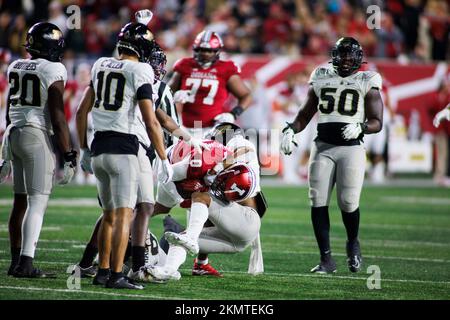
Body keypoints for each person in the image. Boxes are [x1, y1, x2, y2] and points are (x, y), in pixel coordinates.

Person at [74, 45, 207, 281]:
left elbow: (161, 119)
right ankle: (122, 269)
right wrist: (166, 156)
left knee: (124, 210)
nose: (157, 70)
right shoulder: (139, 75)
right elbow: (154, 121)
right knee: (127, 210)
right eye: (153, 65)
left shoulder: (115, 70)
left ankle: (103, 265)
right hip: (131, 147)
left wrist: (188, 138)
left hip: (106, 144)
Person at [75, 22, 172, 289]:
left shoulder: (100, 64)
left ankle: (102, 271)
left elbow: (81, 112)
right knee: (123, 216)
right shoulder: (140, 69)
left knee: (108, 216)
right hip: (124, 150)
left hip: (99, 148)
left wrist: (83, 148)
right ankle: (116, 275)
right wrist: (163, 157)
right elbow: (150, 120)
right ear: (142, 48)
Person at [280, 37, 384, 274]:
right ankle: (326, 259)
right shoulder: (321, 74)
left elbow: (377, 122)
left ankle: (352, 242)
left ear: (358, 58)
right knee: (317, 201)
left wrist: (362, 127)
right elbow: (305, 113)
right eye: (342, 55)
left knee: (348, 202)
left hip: (352, 148)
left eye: (350, 56)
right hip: (323, 147)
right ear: (335, 55)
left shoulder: (368, 79)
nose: (346, 60)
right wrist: (290, 129)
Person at [0, 22, 76, 277]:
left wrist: (5, 151)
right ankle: (26, 263)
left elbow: (11, 107)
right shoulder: (53, 68)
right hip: (36, 135)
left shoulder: (15, 65)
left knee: (20, 201)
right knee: (38, 202)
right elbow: (57, 115)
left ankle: (15, 262)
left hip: (15, 133)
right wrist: (68, 154)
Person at [146, 123, 266, 281]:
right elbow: (209, 213)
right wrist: (137, 214)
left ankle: (191, 241)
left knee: (201, 197)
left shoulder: (237, 142)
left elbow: (245, 151)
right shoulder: (217, 168)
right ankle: (168, 271)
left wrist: (216, 167)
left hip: (247, 220)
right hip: (235, 235)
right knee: (179, 239)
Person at [167, 30, 252, 136]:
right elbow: (166, 92)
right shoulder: (184, 65)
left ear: (217, 50)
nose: (205, 54)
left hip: (215, 127)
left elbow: (246, 95)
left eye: (209, 50)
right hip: (185, 127)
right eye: (201, 50)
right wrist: (173, 96)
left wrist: (233, 114)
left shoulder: (226, 68)